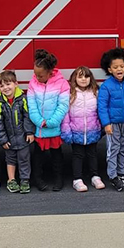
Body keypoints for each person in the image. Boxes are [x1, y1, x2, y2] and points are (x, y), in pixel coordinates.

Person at [97, 48, 124, 192]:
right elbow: (102, 106)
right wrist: (106, 124)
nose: (119, 69)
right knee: (113, 149)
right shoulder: (106, 86)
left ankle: (122, 171)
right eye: (115, 67)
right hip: (113, 124)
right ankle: (113, 175)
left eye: (121, 66)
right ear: (109, 69)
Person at [27, 49, 70, 192]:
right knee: (38, 157)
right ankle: (37, 179)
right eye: (35, 74)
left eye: (40, 75)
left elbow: (63, 105)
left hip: (54, 127)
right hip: (40, 128)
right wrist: (39, 121)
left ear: (50, 72)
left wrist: (52, 122)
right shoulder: (32, 83)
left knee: (57, 156)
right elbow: (31, 106)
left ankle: (59, 179)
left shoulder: (62, 84)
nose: (37, 77)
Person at [61, 66, 105, 192]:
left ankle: (95, 176)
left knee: (92, 154)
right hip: (76, 131)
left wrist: (101, 127)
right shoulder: (70, 93)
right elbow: (66, 114)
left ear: (91, 78)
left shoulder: (95, 92)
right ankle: (77, 179)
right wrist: (67, 131)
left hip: (92, 130)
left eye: (86, 76)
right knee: (77, 155)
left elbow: (100, 111)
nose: (83, 79)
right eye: (80, 76)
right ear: (74, 78)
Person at [0, 70, 34, 194]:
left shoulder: (23, 100)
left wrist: (29, 132)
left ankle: (25, 180)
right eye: (2, 86)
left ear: (16, 84)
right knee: (10, 160)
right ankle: (12, 180)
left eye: (8, 84)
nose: (5, 88)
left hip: (23, 137)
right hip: (8, 139)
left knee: (24, 159)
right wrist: (2, 139)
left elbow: (28, 117)